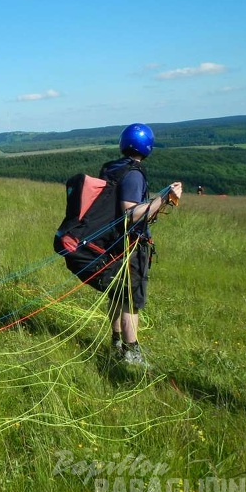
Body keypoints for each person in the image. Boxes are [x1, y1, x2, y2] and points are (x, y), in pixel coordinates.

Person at [102, 124, 182, 366]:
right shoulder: (134, 174)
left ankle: (116, 342)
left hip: (114, 244)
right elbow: (130, 213)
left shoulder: (113, 168)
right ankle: (131, 353)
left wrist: (159, 199)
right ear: (147, 146)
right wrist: (165, 199)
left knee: (117, 296)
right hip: (130, 247)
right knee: (130, 301)